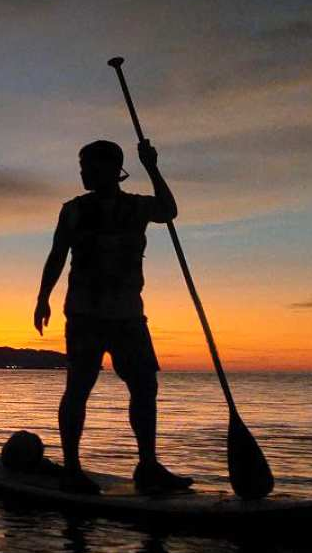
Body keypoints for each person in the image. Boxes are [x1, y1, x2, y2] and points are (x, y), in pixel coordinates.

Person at [33, 139, 193, 495]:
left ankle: (147, 466)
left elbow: (169, 210)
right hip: (85, 313)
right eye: (81, 165)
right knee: (79, 386)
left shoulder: (136, 207)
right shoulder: (73, 210)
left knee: (144, 386)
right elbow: (57, 254)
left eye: (88, 166)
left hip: (127, 315)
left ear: (110, 169)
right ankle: (72, 469)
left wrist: (151, 166)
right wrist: (42, 297)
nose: (82, 172)